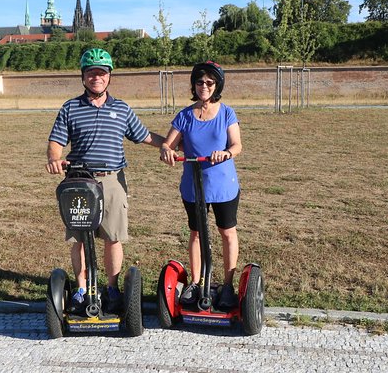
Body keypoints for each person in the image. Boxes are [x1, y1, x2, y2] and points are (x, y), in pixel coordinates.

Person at [46, 48, 165, 313]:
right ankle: (80, 288)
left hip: (112, 181)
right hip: (79, 179)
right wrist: (55, 158)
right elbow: (56, 141)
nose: (96, 77)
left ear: (109, 76)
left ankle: (111, 289)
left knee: (113, 237)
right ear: (83, 77)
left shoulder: (121, 108)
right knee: (78, 238)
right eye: (91, 73)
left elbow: (144, 136)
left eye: (101, 73)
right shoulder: (71, 107)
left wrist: (170, 145)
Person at [159, 61, 242, 308]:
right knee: (196, 233)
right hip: (193, 186)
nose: (203, 86)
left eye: (209, 82)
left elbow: (237, 145)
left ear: (217, 85)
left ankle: (227, 284)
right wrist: (166, 151)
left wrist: (225, 153)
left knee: (227, 233)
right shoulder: (185, 116)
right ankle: (196, 282)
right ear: (194, 85)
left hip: (223, 185)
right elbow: (167, 143)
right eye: (199, 82)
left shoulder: (226, 112)